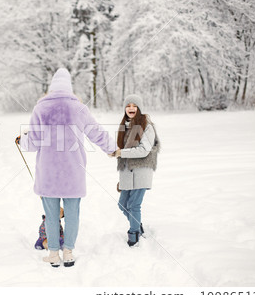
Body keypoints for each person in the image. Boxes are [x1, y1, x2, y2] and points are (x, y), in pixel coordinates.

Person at [17, 68, 117, 267]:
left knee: (52, 216)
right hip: (73, 172)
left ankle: (53, 254)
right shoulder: (79, 108)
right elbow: (96, 132)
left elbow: (33, 142)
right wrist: (111, 148)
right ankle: (69, 252)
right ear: (69, 87)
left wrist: (22, 141)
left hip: (48, 173)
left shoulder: (40, 109)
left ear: (51, 88)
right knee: (73, 215)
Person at [109, 94, 160, 247]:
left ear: (139, 108)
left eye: (134, 105)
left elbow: (144, 150)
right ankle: (137, 224)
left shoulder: (147, 126)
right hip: (126, 172)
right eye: (128, 105)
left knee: (134, 205)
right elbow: (123, 149)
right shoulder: (124, 125)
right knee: (123, 204)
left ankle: (134, 234)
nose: (131, 108)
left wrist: (121, 153)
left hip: (141, 171)